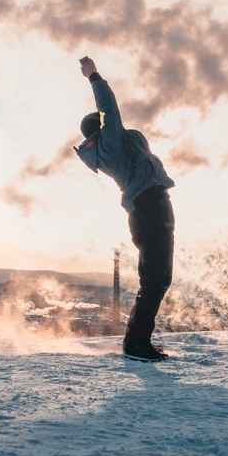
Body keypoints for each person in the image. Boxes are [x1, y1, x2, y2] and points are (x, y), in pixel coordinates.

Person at [75, 56, 175, 361]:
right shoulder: (110, 144)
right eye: (105, 122)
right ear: (100, 129)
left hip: (151, 206)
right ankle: (135, 345)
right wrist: (94, 77)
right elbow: (110, 109)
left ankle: (137, 341)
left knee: (157, 279)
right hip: (148, 208)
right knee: (156, 280)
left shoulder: (115, 148)